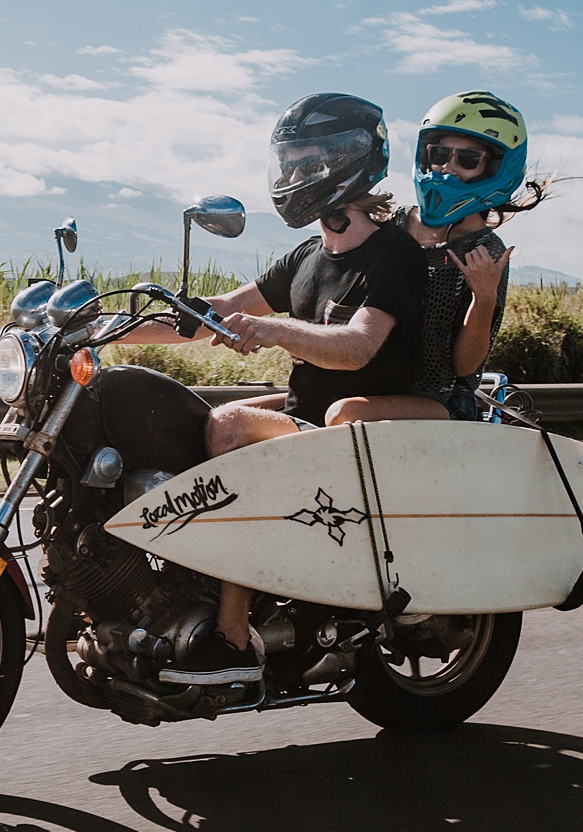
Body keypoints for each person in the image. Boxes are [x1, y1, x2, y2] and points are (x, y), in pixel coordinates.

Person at [111, 93, 428, 684]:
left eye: (311, 162)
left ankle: (232, 638)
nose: (294, 176)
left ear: (352, 160)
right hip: (310, 418)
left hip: (358, 431)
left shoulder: (395, 255)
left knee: (230, 428)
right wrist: (103, 333)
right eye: (290, 162)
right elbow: (216, 311)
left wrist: (272, 329)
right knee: (191, 422)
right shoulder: (308, 255)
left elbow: (358, 345)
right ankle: (187, 586)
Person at [391, 90, 546, 422]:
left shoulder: (485, 253)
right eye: (439, 153)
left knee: (345, 413)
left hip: (441, 405)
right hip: (375, 388)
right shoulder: (392, 224)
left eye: (467, 159)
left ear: (494, 169)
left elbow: (465, 367)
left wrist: (484, 296)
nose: (447, 168)